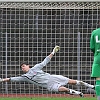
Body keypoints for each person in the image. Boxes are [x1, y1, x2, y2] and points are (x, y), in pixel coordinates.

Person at [0, 46, 94, 97]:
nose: (23, 68)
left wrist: (53, 52)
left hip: (52, 77)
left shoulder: (36, 67)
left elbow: (45, 61)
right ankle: (79, 94)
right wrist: (2, 80)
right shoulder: (25, 77)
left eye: (24, 66)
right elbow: (12, 79)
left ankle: (91, 86)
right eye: (21, 68)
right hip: (49, 85)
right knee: (64, 90)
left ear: (28, 66)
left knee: (73, 82)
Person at [90, 27, 100, 100]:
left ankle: (99, 97)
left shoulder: (95, 32)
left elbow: (92, 47)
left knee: (98, 79)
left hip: (98, 57)